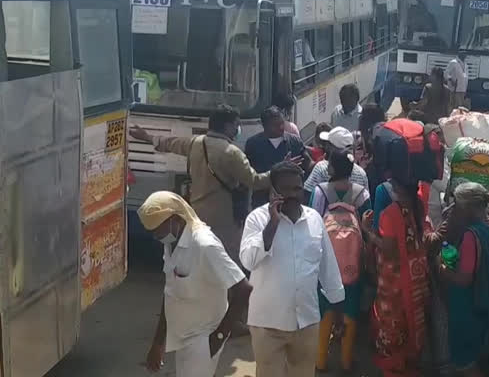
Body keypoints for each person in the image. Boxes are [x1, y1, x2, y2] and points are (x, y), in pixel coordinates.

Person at [239, 161, 345, 377]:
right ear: (273, 191)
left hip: (306, 320)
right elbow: (248, 261)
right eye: (285, 189)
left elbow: (329, 270)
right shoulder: (258, 219)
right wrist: (273, 224)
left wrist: (339, 313)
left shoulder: (314, 219)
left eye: (297, 188)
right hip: (267, 323)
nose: (293, 195)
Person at [129, 104, 270, 260]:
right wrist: (278, 172)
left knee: (199, 259)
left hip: (197, 215)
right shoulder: (232, 153)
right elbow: (255, 181)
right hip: (224, 221)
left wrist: (147, 136)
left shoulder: (195, 143)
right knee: (227, 261)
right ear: (228, 126)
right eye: (236, 125)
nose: (237, 129)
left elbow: (169, 143)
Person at [139, 191, 252, 377]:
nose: (155, 236)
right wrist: (158, 342)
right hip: (182, 335)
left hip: (203, 337)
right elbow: (170, 293)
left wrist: (218, 338)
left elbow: (243, 289)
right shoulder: (171, 242)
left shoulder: (205, 246)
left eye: (157, 230)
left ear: (175, 219)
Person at [439, 183, 489, 377]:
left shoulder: (471, 236)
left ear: (468, 209)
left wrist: (443, 268)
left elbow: (463, 279)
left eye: (457, 205)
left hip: (471, 314)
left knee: (470, 364)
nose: (453, 209)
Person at [362, 178, 431, 377]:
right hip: (416, 277)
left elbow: (389, 250)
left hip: (395, 282)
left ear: (398, 187)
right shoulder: (419, 204)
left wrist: (367, 232)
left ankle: (396, 369)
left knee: (393, 326)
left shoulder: (390, 213)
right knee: (413, 323)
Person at [310, 150, 372, 372]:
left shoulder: (320, 192)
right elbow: (367, 227)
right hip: (353, 261)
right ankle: (346, 361)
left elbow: (313, 224)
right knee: (350, 308)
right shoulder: (361, 193)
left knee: (325, 307)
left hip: (325, 260)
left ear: (331, 169)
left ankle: (320, 361)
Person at [245, 106, 310, 207]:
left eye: (282, 123)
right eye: (275, 125)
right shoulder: (253, 144)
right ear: (264, 126)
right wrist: (282, 166)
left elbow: (307, 165)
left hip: (290, 201)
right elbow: (249, 176)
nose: (281, 127)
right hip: (262, 201)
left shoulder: (294, 142)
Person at [303, 126, 369, 203]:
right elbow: (366, 200)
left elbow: (307, 196)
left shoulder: (322, 168)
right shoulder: (361, 173)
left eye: (328, 143)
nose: (326, 146)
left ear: (332, 147)